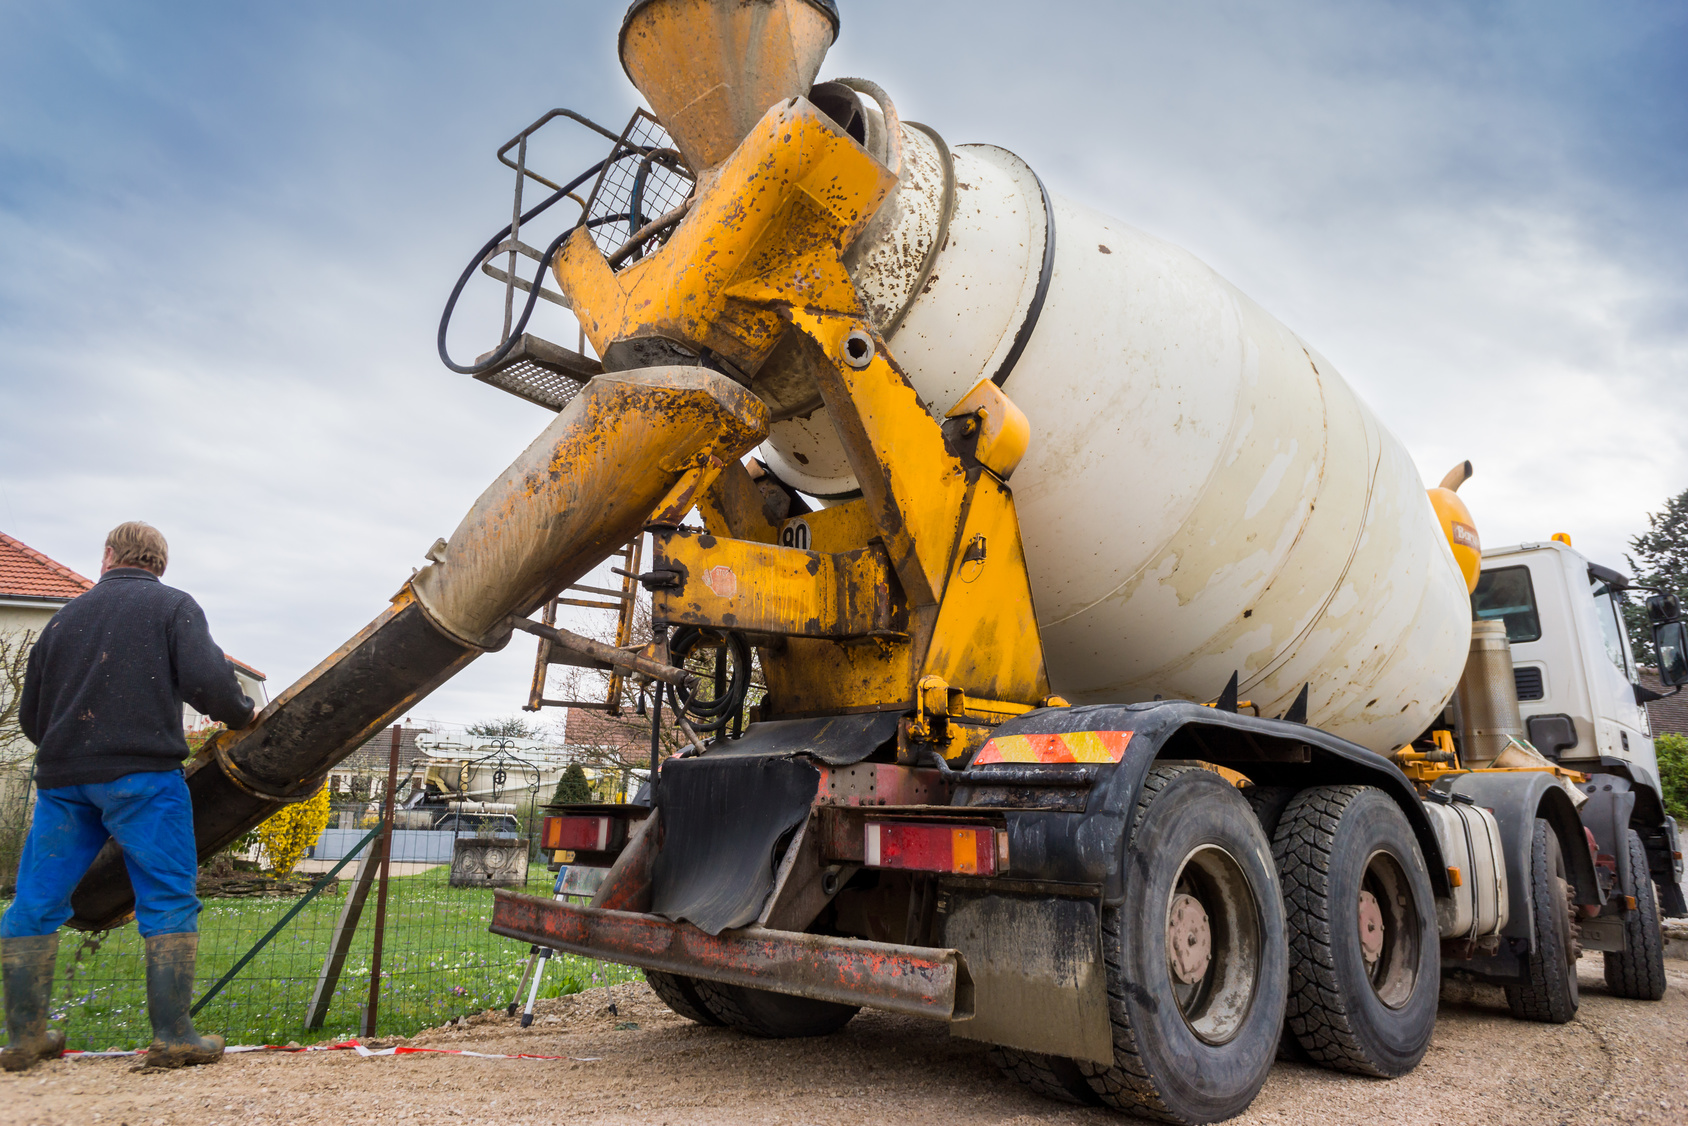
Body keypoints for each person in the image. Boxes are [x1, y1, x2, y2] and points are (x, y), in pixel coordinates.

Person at [2, 522, 258, 1071]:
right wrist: (241, 714)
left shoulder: (64, 618)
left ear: (108, 556)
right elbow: (210, 685)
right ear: (159, 563)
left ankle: (23, 1039)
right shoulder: (173, 607)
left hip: (63, 784)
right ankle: (173, 1035)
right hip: (142, 780)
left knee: (35, 903)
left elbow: (31, 717)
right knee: (167, 897)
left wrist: (70, 750)